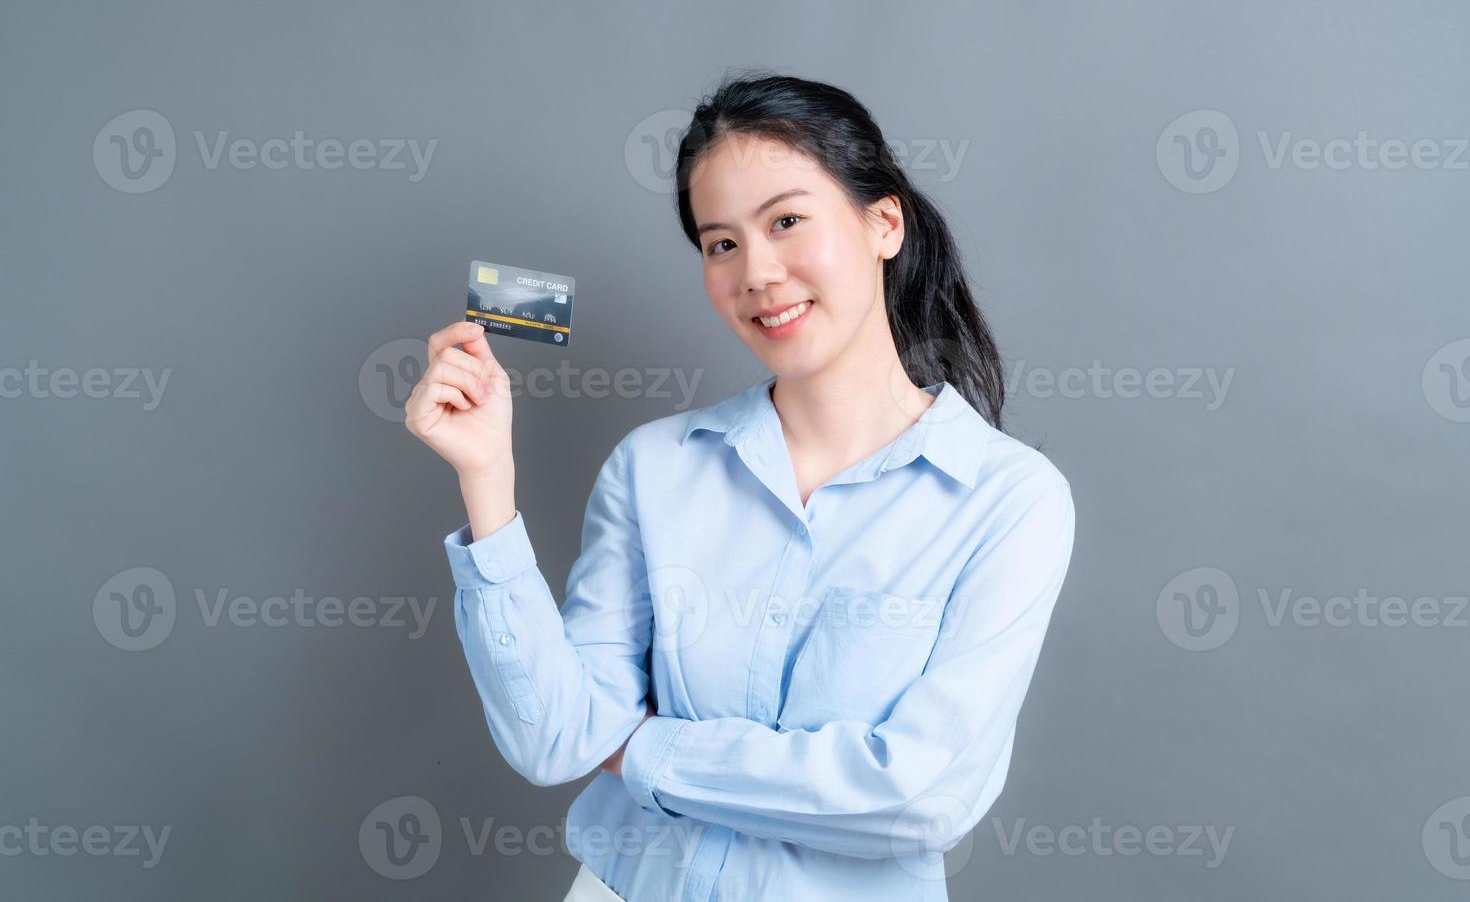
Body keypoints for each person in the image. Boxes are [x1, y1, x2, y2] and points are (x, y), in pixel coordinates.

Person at [404, 73, 1076, 902]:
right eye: (721, 244)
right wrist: (487, 481)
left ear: (884, 223)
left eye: (787, 221)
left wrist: (644, 750)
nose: (757, 272)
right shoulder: (655, 467)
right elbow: (555, 737)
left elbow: (920, 795)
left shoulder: (1008, 500)